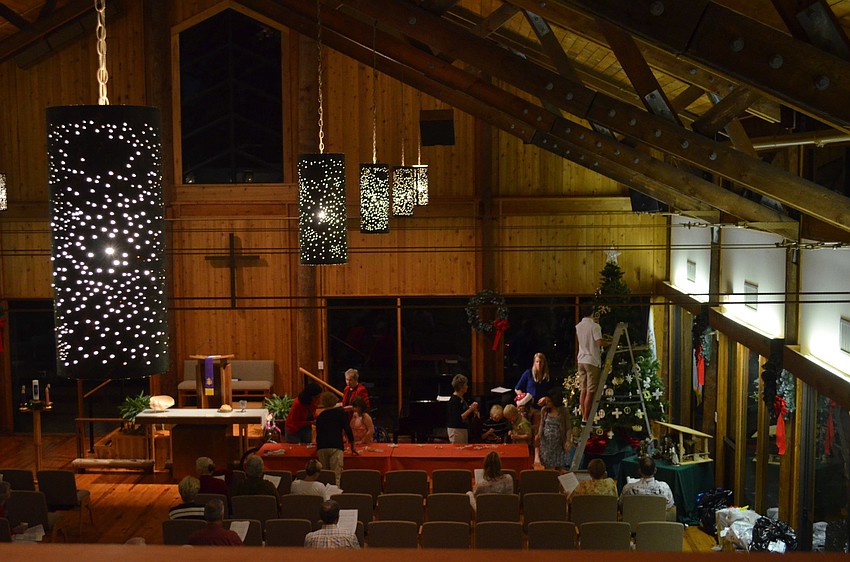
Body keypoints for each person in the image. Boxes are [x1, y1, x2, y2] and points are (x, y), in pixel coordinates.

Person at [315, 391, 358, 485]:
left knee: (325, 475)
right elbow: (347, 429)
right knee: (336, 475)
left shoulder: (320, 417)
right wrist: (352, 445)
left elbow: (318, 435)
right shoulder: (340, 413)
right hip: (336, 446)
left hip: (322, 447)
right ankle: (335, 495)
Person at [576, 306, 604, 422]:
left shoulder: (578, 326)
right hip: (592, 359)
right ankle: (586, 416)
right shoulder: (594, 326)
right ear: (592, 313)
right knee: (590, 390)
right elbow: (599, 341)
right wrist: (609, 343)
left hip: (581, 359)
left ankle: (583, 415)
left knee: (583, 389)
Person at [535, 388, 571, 470]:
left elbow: (568, 427)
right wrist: (539, 435)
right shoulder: (544, 410)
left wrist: (567, 440)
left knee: (559, 466)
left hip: (558, 443)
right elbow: (542, 424)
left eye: (549, 401)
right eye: (546, 401)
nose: (547, 403)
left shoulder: (564, 411)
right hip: (546, 443)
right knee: (547, 465)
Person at [446, 374, 478, 444]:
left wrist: (471, 409)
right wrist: (470, 409)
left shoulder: (461, 398)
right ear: (461, 387)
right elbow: (458, 418)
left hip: (461, 429)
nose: (467, 387)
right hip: (456, 430)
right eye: (465, 385)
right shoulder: (454, 401)